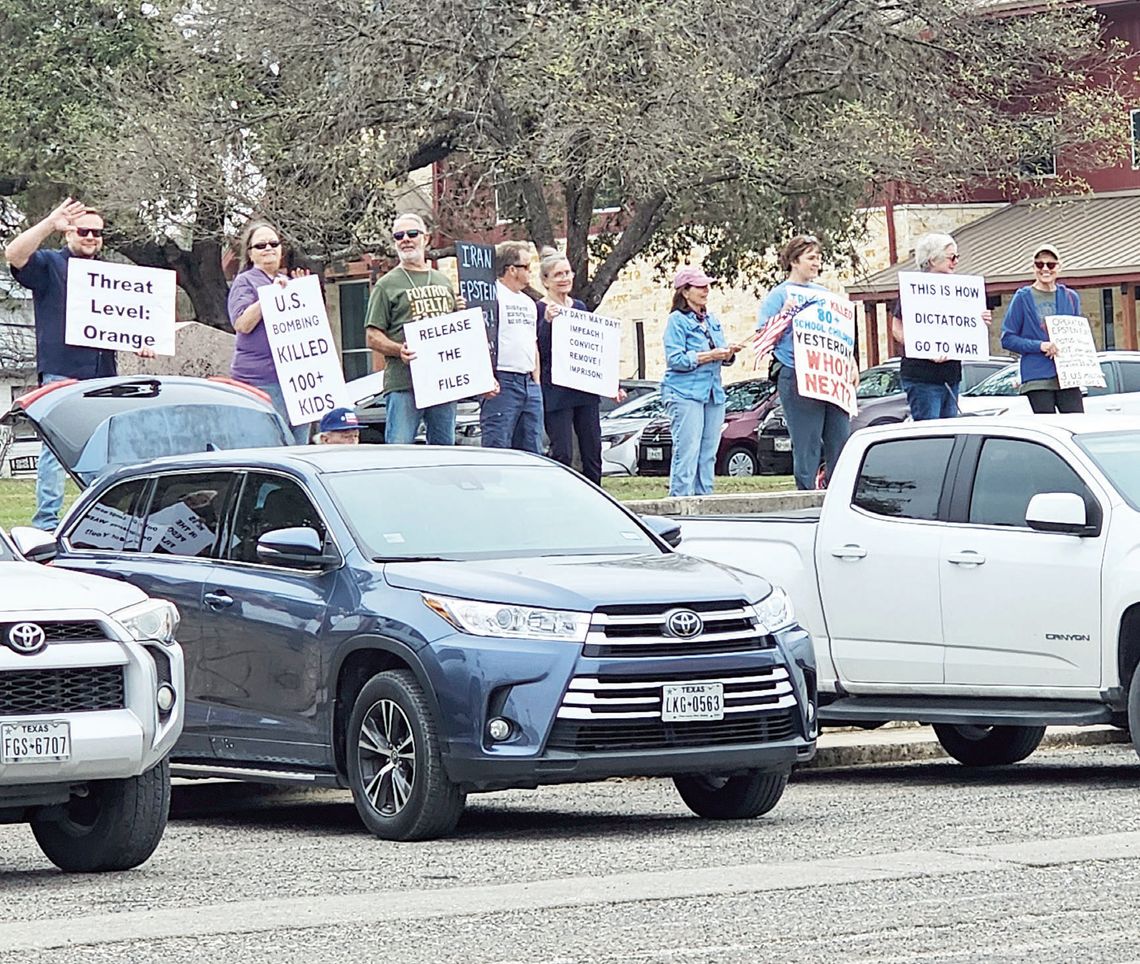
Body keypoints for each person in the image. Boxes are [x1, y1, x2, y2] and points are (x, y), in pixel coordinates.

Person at [5, 199, 126, 530]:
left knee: (103, 449)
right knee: (55, 450)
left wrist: (142, 342)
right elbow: (13, 254)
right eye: (84, 231)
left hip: (103, 374)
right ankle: (46, 521)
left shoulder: (112, 275)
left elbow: (129, 321)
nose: (91, 238)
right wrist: (49, 223)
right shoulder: (49, 264)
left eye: (97, 233)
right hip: (61, 371)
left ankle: (100, 521)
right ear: (68, 233)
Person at [756, 234, 852, 491]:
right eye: (811, 258)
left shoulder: (825, 295)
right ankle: (807, 495)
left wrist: (851, 364)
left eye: (819, 258)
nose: (817, 263)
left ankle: (837, 493)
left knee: (840, 439)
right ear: (794, 261)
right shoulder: (779, 295)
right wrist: (784, 314)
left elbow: (840, 335)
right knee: (807, 442)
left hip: (830, 375)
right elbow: (763, 338)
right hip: (797, 374)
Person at [364, 212, 464, 445]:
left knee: (445, 449)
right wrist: (399, 349)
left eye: (412, 234)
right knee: (400, 449)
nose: (405, 240)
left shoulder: (443, 281)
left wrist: (460, 314)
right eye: (399, 236)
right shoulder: (386, 284)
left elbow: (454, 331)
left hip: (442, 381)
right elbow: (372, 335)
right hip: (403, 382)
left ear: (426, 238)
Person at [535, 247, 621, 483]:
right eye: (558, 275)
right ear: (546, 281)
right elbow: (539, 350)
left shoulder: (580, 307)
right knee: (562, 451)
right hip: (556, 390)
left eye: (567, 273)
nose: (564, 278)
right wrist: (547, 322)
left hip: (584, 388)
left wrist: (612, 383)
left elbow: (593, 348)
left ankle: (597, 493)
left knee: (592, 449)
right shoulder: (539, 309)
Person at [890, 233, 992, 421]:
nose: (956, 262)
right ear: (932, 260)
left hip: (951, 375)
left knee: (949, 431)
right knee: (930, 432)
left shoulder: (960, 291)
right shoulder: (913, 289)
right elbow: (896, 327)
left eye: (957, 257)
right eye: (951, 257)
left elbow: (962, 323)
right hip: (922, 377)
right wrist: (924, 348)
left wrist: (980, 320)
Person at [662, 266, 744, 496]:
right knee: (687, 450)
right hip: (684, 393)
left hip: (713, 393)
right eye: (699, 286)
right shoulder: (676, 321)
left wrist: (728, 353)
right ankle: (680, 500)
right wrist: (708, 356)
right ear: (685, 291)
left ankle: (704, 500)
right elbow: (675, 359)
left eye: (707, 286)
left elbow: (721, 355)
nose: (706, 290)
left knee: (709, 452)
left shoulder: (712, 320)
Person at [227, 218, 311, 444]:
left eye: (273, 244)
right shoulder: (245, 282)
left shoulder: (288, 282)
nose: (268, 249)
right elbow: (242, 323)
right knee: (271, 445)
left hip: (297, 381)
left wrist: (305, 293)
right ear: (250, 253)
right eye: (260, 245)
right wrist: (269, 297)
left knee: (298, 448)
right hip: (261, 381)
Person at [1000, 244, 1085, 414]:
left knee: (1076, 422)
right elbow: (1008, 339)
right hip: (1037, 377)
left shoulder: (1071, 297)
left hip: (1067, 375)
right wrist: (1040, 346)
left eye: (1050, 265)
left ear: (1059, 267)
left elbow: (1077, 337)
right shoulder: (1022, 297)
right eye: (1040, 264)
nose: (1045, 269)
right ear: (1033, 268)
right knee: (1047, 424)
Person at [481, 241, 544, 453]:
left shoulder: (529, 302)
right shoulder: (492, 296)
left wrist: (536, 381)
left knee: (532, 447)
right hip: (503, 380)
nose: (530, 272)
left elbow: (532, 342)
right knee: (498, 446)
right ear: (512, 269)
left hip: (528, 380)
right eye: (526, 266)